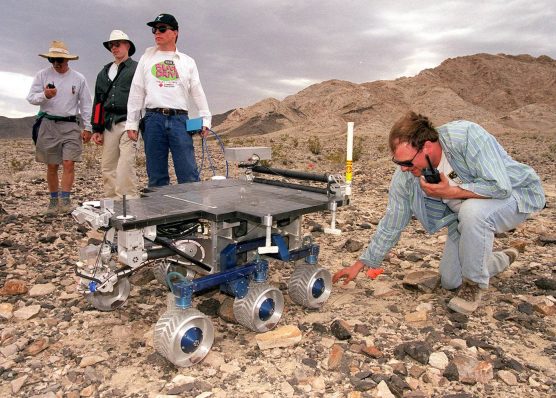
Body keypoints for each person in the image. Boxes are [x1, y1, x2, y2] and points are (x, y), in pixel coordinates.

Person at [333, 112, 545, 315]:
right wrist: (361, 264)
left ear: (427, 146)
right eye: (398, 163)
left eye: (407, 162)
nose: (404, 169)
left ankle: (474, 285)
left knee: (473, 212)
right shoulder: (406, 178)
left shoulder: (467, 136)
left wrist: (452, 191)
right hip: (463, 219)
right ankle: (500, 259)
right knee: (450, 280)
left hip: (515, 197)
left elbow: (500, 187)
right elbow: (392, 222)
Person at [125, 13, 211, 187]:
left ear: (175, 33)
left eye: (162, 29)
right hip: (153, 119)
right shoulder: (146, 58)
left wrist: (206, 118)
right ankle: (160, 212)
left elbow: (197, 91)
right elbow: (136, 91)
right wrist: (132, 123)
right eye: (154, 29)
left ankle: (191, 213)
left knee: (188, 173)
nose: (157, 32)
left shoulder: (187, 62)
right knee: (156, 175)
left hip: (179, 120)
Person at [27, 40, 93, 214]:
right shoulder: (42, 75)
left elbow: (86, 103)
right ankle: (53, 200)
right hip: (48, 123)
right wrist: (45, 95)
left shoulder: (78, 78)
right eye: (52, 60)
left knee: (69, 162)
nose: (56, 63)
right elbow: (31, 97)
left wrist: (88, 127)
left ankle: (65, 199)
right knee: (52, 165)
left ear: (67, 60)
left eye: (59, 60)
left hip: (71, 124)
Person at [91, 30, 139, 199]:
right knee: (108, 166)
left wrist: (139, 122)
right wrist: (96, 128)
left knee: (125, 164)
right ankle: (112, 205)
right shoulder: (103, 73)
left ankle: (130, 205)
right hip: (109, 123)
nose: (114, 48)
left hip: (129, 122)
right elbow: (98, 101)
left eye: (118, 44)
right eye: (111, 45)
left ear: (127, 45)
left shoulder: (137, 69)